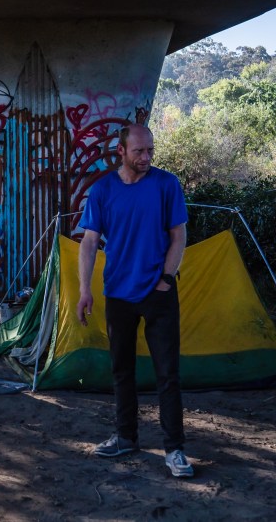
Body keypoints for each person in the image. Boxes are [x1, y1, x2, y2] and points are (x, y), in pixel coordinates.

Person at [76, 123, 193, 478]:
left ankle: (174, 450)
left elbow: (179, 236)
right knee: (121, 371)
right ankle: (126, 437)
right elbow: (89, 242)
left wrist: (165, 280)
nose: (147, 157)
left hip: (158, 294)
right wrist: (85, 290)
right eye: (139, 151)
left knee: (167, 374)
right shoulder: (102, 191)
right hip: (118, 296)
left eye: (150, 151)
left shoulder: (166, 185)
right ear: (122, 152)